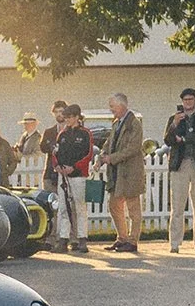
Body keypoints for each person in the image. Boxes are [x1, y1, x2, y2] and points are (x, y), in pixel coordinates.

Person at [163, 90, 195, 253]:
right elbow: (168, 140)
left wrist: (183, 139)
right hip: (180, 163)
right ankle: (175, 243)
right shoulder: (174, 118)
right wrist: (175, 125)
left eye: (191, 99)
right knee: (177, 205)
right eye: (185, 100)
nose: (188, 102)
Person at [99, 93, 147, 254]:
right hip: (116, 173)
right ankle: (122, 238)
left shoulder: (134, 124)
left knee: (133, 208)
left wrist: (111, 158)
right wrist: (102, 155)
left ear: (121, 105)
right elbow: (108, 143)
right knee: (114, 205)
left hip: (130, 172)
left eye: (112, 106)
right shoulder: (116, 123)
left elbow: (133, 148)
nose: (111, 109)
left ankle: (133, 241)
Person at [50, 103, 95, 253]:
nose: (67, 120)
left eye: (70, 117)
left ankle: (82, 238)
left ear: (77, 117)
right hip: (63, 175)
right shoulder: (62, 134)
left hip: (78, 176)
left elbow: (88, 154)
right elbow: (55, 153)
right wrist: (57, 166)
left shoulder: (85, 133)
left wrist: (74, 167)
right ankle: (63, 239)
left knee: (80, 207)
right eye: (66, 117)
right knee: (63, 207)